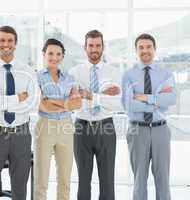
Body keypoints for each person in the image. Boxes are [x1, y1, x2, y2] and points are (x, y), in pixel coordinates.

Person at [0, 25, 39, 200]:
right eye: (2, 40)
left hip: (21, 133)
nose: (6, 44)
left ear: (16, 44)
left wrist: (2, 102)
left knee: (20, 186)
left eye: (10, 40)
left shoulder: (27, 71)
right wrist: (18, 98)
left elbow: (33, 103)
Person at [121, 33, 176, 200]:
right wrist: (157, 100)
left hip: (160, 130)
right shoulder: (128, 75)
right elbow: (129, 106)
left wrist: (145, 97)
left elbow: (171, 99)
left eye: (148, 47)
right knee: (139, 179)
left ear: (155, 49)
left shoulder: (166, 74)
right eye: (141, 47)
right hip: (138, 130)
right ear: (136, 51)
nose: (145, 51)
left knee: (163, 179)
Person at [69, 30, 121, 200]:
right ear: (85, 47)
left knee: (107, 179)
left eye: (98, 45)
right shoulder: (74, 72)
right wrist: (103, 96)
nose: (94, 49)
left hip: (105, 126)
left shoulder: (113, 72)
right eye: (91, 45)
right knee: (83, 180)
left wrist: (90, 95)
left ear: (103, 47)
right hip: (81, 127)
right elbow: (74, 103)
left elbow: (118, 104)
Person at [34, 38, 82, 200]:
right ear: (44, 54)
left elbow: (77, 103)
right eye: (50, 53)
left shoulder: (69, 78)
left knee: (65, 179)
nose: (54, 57)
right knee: (41, 179)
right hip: (45, 126)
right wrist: (66, 104)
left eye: (58, 54)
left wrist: (53, 101)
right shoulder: (37, 77)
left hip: (66, 127)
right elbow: (42, 105)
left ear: (62, 56)